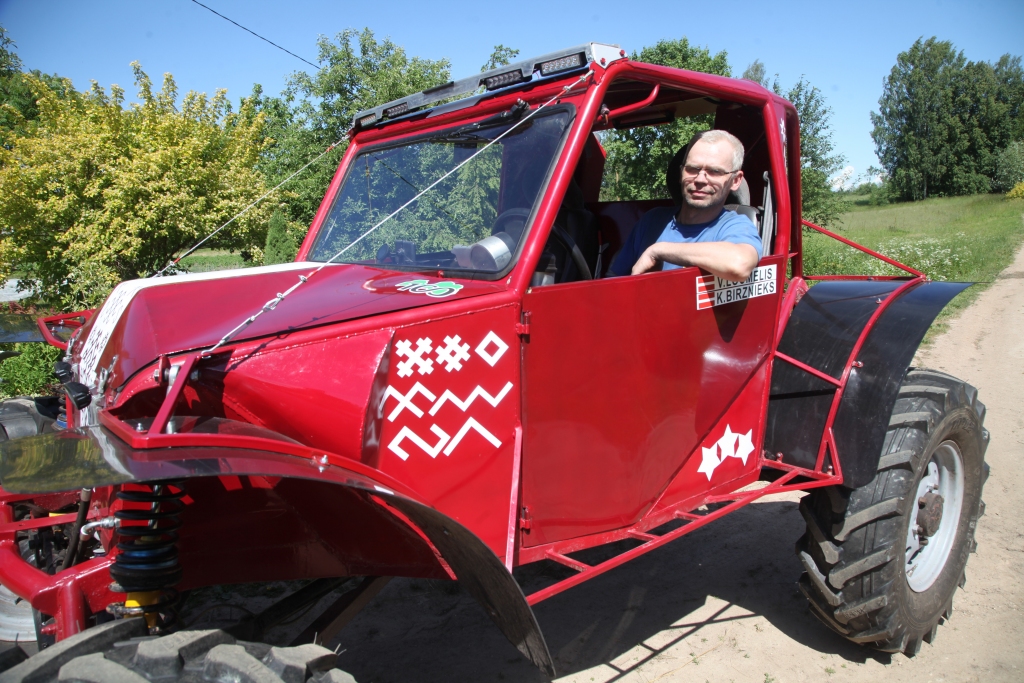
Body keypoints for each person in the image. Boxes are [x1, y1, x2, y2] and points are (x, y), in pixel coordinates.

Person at [609, 130, 762, 282]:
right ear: (681, 172)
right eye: (692, 169)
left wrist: (658, 250)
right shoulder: (652, 221)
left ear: (735, 180)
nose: (700, 179)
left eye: (714, 171)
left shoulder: (736, 226)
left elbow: (739, 264)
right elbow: (612, 280)